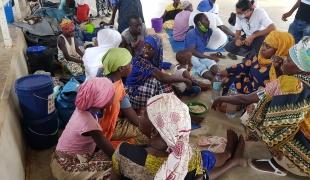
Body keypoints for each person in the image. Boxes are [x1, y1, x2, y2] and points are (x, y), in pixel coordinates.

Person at [212, 36, 310, 177]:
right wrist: (279, 70)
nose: (283, 60)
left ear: (302, 68)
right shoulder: (302, 79)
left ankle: (280, 162)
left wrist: (222, 98)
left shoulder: (290, 83)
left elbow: (252, 97)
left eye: (289, 60)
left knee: (252, 113)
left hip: (305, 152)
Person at [111, 93, 248, 180]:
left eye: (146, 113)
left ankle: (231, 157)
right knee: (204, 160)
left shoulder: (123, 152)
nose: (140, 113)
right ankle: (230, 157)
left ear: (155, 129)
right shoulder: (188, 156)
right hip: (191, 173)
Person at [50, 77, 115, 179]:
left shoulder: (82, 109)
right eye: (111, 95)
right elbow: (110, 152)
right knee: (114, 167)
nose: (113, 97)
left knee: (105, 155)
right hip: (67, 168)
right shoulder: (90, 125)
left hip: (59, 158)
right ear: (101, 100)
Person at [125, 35, 192, 111]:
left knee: (161, 78)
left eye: (150, 48)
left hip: (129, 95)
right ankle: (175, 105)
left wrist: (170, 65)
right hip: (134, 97)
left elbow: (158, 65)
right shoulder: (143, 62)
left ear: (157, 50)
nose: (145, 50)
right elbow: (162, 77)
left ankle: (171, 98)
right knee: (161, 82)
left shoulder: (140, 58)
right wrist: (185, 80)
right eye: (145, 47)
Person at [221, 31, 295, 95]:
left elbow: (271, 93)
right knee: (224, 79)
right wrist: (227, 71)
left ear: (279, 50)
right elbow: (245, 66)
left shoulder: (280, 69)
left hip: (255, 95)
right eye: (263, 44)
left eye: (268, 47)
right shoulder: (259, 57)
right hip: (246, 83)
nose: (263, 48)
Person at [99, 48, 145, 148]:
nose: (132, 66)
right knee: (146, 132)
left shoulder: (101, 76)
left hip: (98, 123)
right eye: (130, 64)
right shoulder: (118, 89)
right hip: (108, 128)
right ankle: (122, 144)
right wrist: (146, 125)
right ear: (121, 68)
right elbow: (133, 119)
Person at [184, 13, 220, 81]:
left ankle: (218, 76)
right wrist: (209, 57)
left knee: (212, 63)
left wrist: (209, 58)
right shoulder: (191, 33)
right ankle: (213, 79)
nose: (209, 21)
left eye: (208, 19)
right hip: (190, 55)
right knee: (199, 66)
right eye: (206, 20)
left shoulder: (208, 31)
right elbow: (192, 51)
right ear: (199, 23)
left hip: (201, 54)